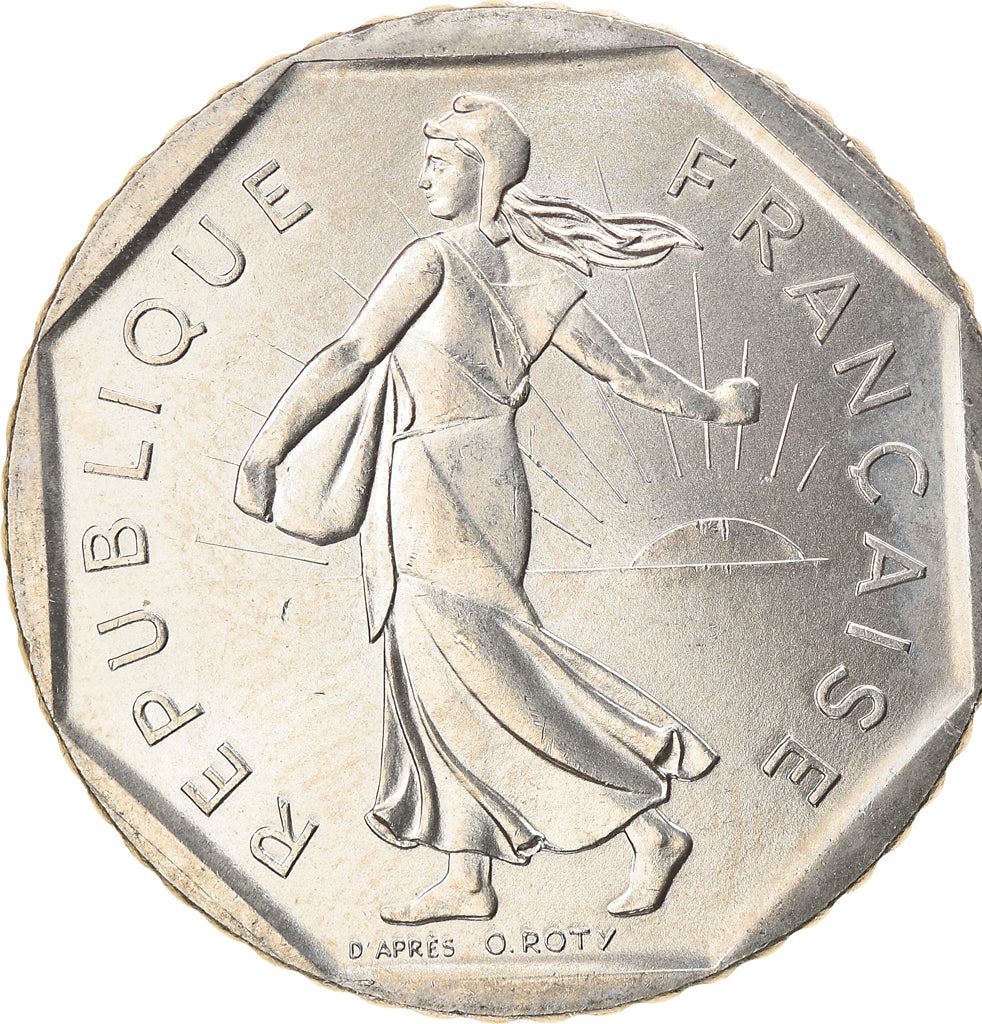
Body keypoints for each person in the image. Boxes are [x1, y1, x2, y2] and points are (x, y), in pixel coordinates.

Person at [235, 94, 760, 925]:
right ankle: (469, 876)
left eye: (439, 163)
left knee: (486, 669)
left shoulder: (433, 261)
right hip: (491, 476)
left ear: (483, 172)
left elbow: (352, 353)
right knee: (450, 673)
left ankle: (646, 822)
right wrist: (714, 407)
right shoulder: (543, 281)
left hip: (431, 479)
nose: (423, 178)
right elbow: (624, 373)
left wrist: (268, 449)